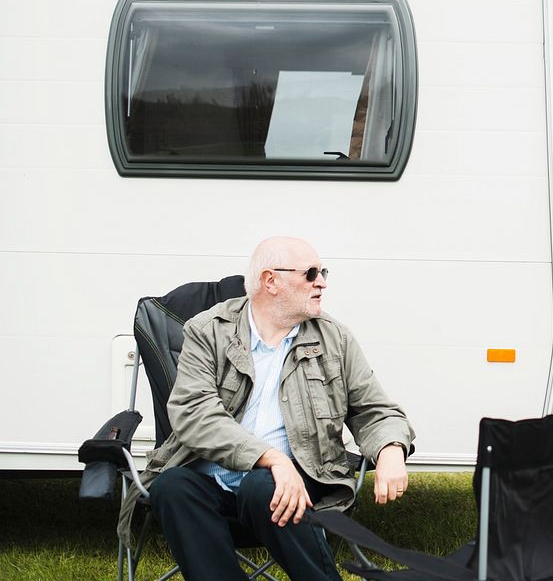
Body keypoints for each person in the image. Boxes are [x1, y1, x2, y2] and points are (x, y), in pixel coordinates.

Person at [117, 235, 415, 581]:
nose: (322, 282)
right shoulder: (208, 331)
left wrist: (391, 448)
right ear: (270, 281)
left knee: (262, 486)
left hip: (299, 479)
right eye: (311, 274)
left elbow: (374, 409)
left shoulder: (334, 338)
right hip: (211, 479)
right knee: (172, 486)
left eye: (323, 272)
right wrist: (271, 458)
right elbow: (193, 412)